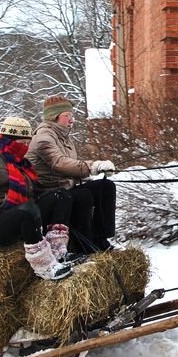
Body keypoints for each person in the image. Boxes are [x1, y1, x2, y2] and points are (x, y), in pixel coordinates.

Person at [0, 116, 75, 281]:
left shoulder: (18, 161)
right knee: (28, 210)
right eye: (24, 143)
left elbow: (35, 191)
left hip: (23, 214)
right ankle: (44, 266)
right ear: (11, 140)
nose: (27, 147)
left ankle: (57, 251)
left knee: (60, 196)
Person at [27, 95, 117, 254]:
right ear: (54, 117)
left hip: (65, 187)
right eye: (67, 116)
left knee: (106, 186)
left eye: (72, 116)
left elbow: (69, 167)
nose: (72, 120)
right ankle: (85, 245)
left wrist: (84, 175)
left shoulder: (64, 137)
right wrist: (92, 166)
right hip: (49, 193)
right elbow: (59, 162)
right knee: (84, 195)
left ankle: (101, 237)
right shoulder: (43, 137)